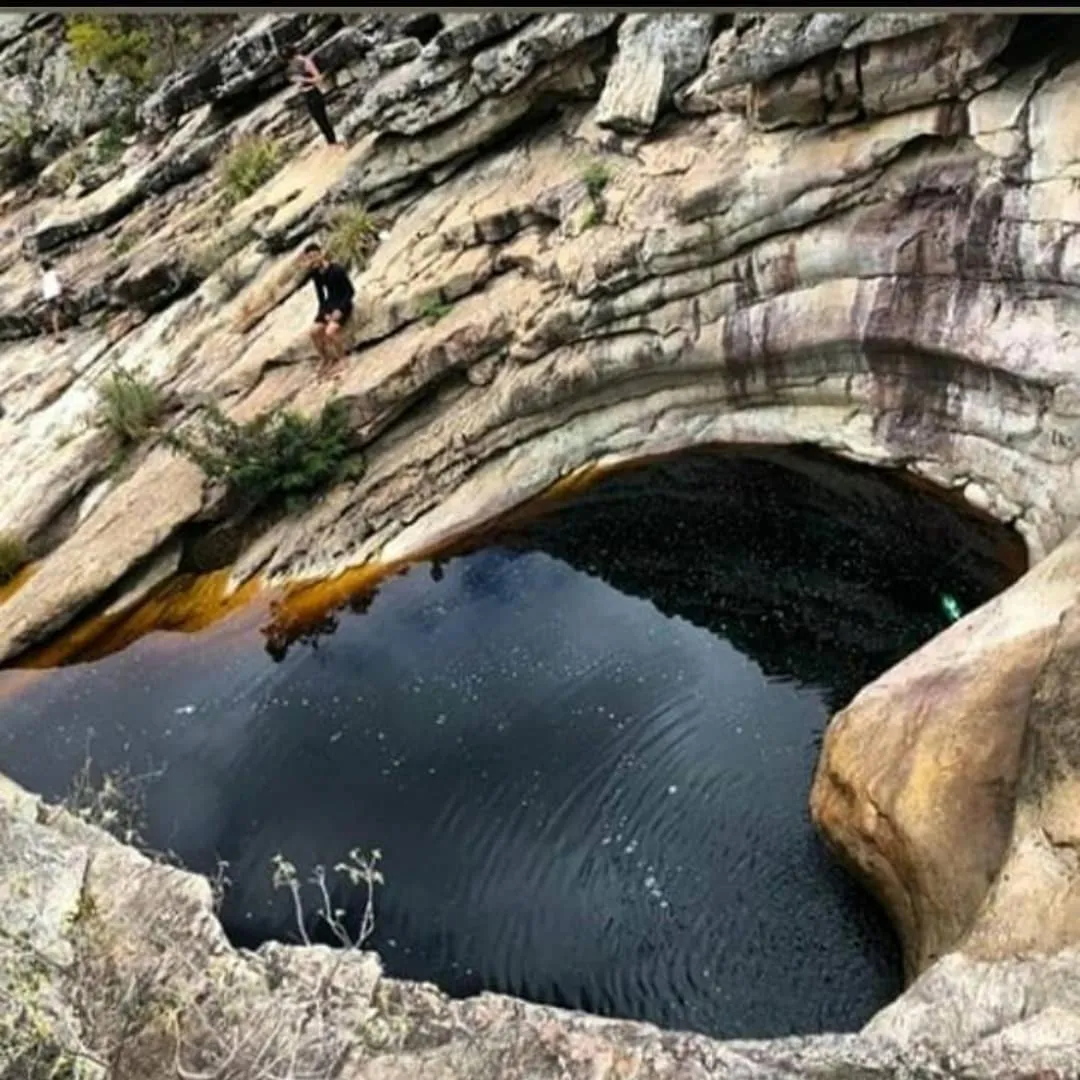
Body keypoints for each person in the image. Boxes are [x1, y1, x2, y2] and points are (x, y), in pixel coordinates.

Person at [300, 241, 355, 375]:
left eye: (315, 256)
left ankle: (343, 358)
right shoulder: (316, 274)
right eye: (310, 258)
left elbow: (350, 292)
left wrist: (340, 310)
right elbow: (321, 296)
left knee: (330, 332)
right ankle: (325, 358)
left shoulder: (337, 269)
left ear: (321, 254)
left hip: (343, 302)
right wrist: (324, 313)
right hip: (330, 304)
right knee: (313, 332)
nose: (313, 260)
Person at [282, 45, 340, 147]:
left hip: (313, 92)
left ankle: (333, 142)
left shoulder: (306, 61)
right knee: (318, 121)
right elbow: (295, 79)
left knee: (323, 119)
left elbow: (318, 78)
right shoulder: (292, 68)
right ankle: (331, 143)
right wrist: (299, 83)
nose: (290, 62)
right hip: (306, 95)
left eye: (289, 59)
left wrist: (303, 80)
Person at [40, 259, 64, 342]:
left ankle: (46, 330)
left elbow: (44, 288)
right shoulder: (54, 273)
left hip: (48, 296)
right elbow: (61, 281)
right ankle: (57, 334)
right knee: (55, 314)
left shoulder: (44, 277)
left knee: (52, 313)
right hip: (55, 295)